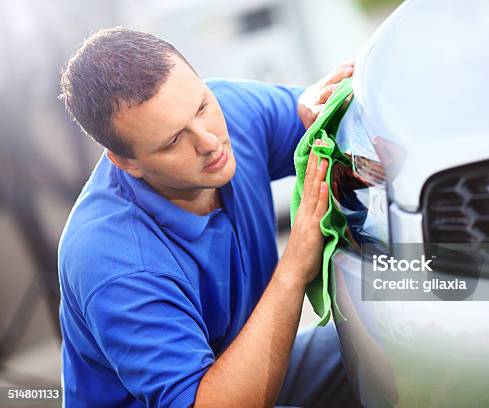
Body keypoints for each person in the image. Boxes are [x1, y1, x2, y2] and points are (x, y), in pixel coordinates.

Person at [57, 27, 360, 407]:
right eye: (172, 141)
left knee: (381, 351)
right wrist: (295, 266)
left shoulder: (229, 110)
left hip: (238, 368)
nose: (209, 141)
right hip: (211, 397)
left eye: (202, 106)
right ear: (126, 162)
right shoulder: (113, 264)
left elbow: (313, 116)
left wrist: (326, 106)